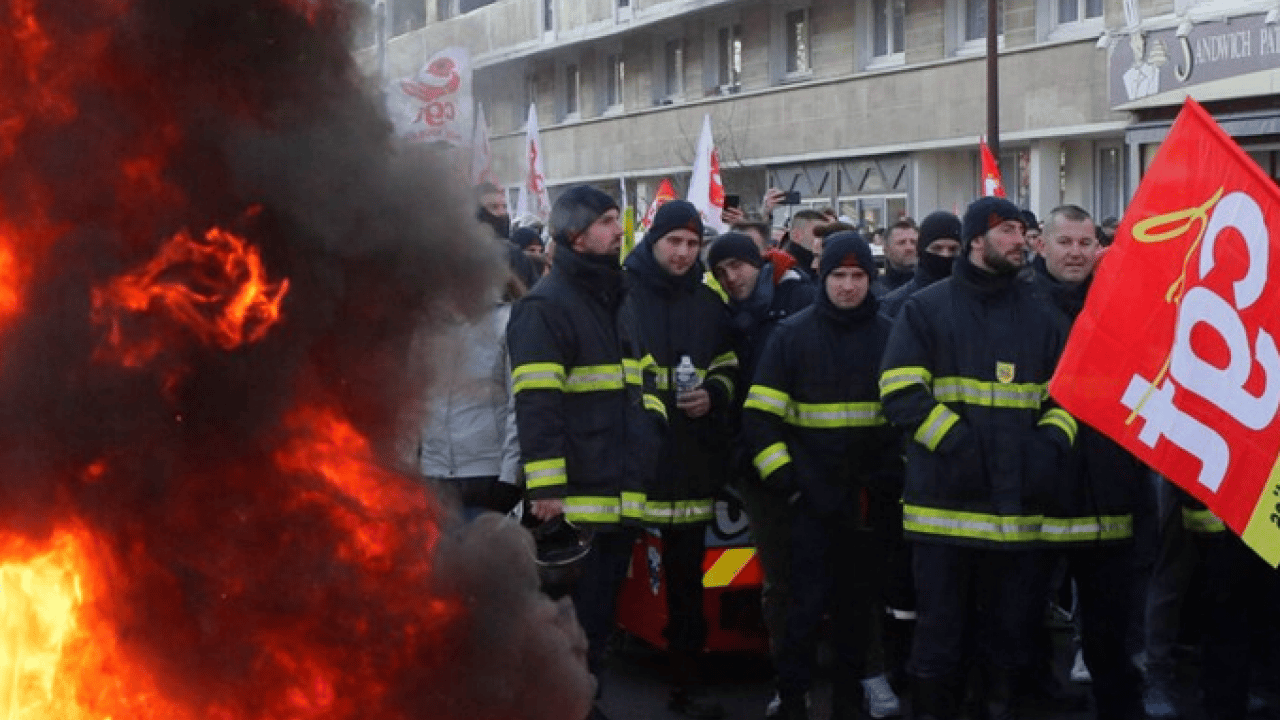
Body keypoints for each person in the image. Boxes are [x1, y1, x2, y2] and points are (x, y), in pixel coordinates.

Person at [879, 196, 1077, 720]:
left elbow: (1068, 399)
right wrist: (959, 447)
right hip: (945, 515)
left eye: (1023, 230)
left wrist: (1047, 449)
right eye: (1009, 230)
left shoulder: (1042, 315)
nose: (1022, 240)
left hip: (1016, 519)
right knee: (939, 645)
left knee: (1008, 645)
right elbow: (899, 392)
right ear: (975, 241)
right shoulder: (927, 308)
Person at [744, 231, 902, 720]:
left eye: (858, 276)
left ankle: (851, 705)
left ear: (870, 279)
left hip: (865, 503)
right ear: (822, 276)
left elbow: (902, 414)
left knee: (859, 612)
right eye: (839, 275)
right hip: (809, 502)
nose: (849, 286)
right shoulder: (791, 335)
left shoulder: (890, 333)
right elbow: (760, 418)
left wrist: (888, 476)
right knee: (802, 612)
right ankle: (793, 700)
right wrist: (786, 481)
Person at [506, 185, 647, 702]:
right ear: (575, 235)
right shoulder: (545, 308)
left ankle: (589, 705)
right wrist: (547, 491)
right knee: (573, 629)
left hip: (618, 492)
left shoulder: (616, 298)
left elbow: (635, 387)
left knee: (599, 628)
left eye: (618, 220)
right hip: (574, 503)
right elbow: (537, 405)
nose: (618, 232)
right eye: (608, 222)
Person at [619, 200, 738, 719]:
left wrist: (714, 391)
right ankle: (590, 681)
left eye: (693, 245)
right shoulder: (622, 293)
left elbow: (731, 363)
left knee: (690, 581)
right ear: (653, 240)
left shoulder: (709, 303)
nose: (685, 253)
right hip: (634, 460)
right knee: (611, 575)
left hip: (690, 459)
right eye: (675, 242)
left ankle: (687, 681)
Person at [1027, 204, 1143, 720]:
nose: (1076, 252)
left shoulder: (1121, 303)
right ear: (1041, 245)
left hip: (1111, 491)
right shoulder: (1019, 307)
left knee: (1111, 634)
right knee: (1025, 629)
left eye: (1085, 243)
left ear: (1099, 248)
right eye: (1065, 242)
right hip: (1042, 494)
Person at [707, 231, 816, 719]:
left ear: (759, 263)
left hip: (816, 463)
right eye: (722, 271)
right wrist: (740, 454)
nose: (733, 277)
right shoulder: (723, 317)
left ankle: (863, 674)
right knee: (780, 584)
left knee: (840, 576)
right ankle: (791, 683)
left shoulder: (799, 299)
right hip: (756, 468)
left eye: (739, 266)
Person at [417, 273, 524, 520]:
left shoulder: (507, 322)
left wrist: (509, 479)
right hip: (434, 476)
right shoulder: (427, 327)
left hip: (487, 477)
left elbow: (518, 405)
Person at [879, 211, 961, 320]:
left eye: (953, 249)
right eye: (937, 248)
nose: (945, 255)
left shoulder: (973, 298)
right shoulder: (892, 304)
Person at [874, 219, 918, 295]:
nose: (910, 248)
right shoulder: (875, 290)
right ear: (886, 249)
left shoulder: (931, 285)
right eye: (901, 243)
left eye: (913, 242)